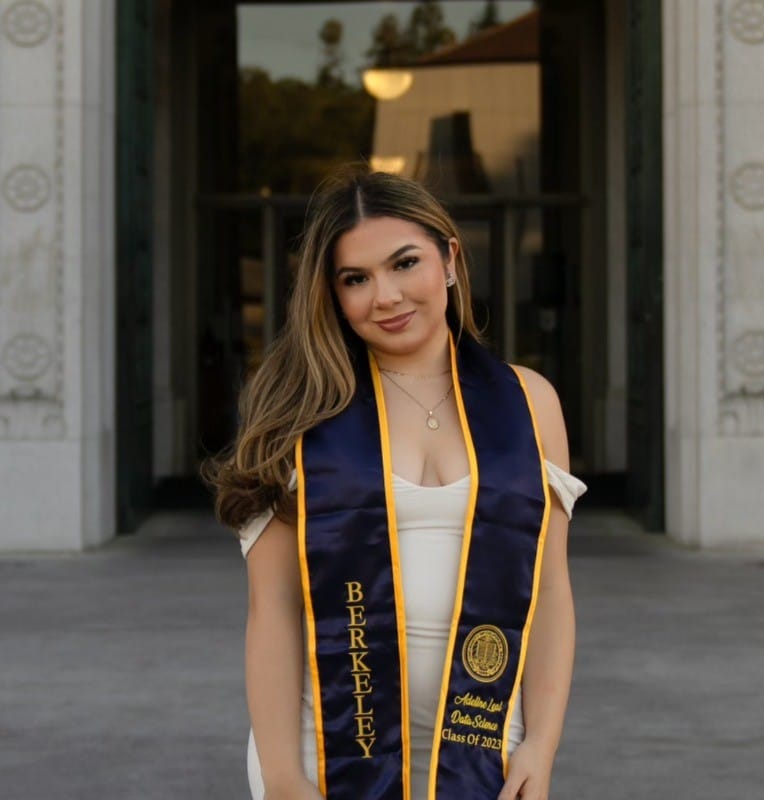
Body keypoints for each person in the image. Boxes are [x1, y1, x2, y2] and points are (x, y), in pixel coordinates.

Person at [205, 169, 586, 800]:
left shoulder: (529, 403)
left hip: (484, 735)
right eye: (356, 278)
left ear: (450, 261)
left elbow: (548, 593)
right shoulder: (300, 411)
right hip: (327, 743)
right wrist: (281, 775)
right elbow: (272, 608)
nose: (385, 296)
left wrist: (540, 746)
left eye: (404, 263)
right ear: (332, 293)